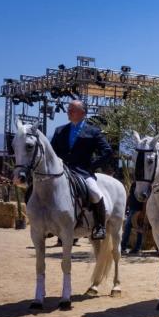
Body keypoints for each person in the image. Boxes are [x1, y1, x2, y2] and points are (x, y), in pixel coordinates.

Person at [50, 100, 113, 239]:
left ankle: (99, 226)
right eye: (69, 109)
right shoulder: (59, 130)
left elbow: (107, 151)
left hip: (83, 172)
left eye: (72, 109)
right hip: (62, 171)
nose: (69, 112)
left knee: (95, 193)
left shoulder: (93, 131)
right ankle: (48, 224)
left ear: (82, 113)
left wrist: (92, 166)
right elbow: (51, 153)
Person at [121, 182, 144, 254]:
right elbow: (129, 197)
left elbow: (145, 201)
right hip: (132, 210)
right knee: (134, 229)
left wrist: (143, 213)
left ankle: (134, 248)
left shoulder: (143, 186)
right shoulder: (134, 184)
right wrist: (125, 209)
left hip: (138, 211)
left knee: (136, 229)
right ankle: (125, 247)